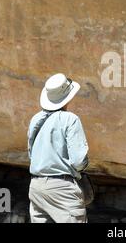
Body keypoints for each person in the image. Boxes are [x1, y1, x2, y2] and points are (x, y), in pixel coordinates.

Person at [27, 73, 89, 223]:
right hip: (62, 189)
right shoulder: (70, 119)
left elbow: (31, 154)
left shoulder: (35, 119)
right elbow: (78, 161)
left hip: (36, 186)